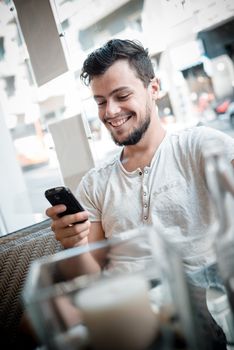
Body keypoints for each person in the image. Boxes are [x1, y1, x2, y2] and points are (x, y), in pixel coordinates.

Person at [45, 39, 234, 348]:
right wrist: (76, 244)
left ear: (154, 88)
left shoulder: (200, 146)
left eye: (121, 96)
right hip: (121, 309)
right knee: (39, 320)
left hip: (193, 308)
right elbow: (90, 278)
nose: (111, 111)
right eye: (101, 101)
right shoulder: (95, 183)